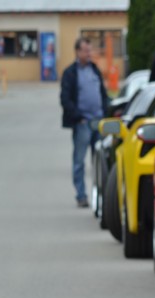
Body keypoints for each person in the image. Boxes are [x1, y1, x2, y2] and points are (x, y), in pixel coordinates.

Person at [60, 37, 109, 208]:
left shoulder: (94, 69)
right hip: (82, 123)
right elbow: (65, 99)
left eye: (90, 50)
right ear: (77, 51)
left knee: (100, 162)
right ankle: (81, 195)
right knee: (79, 161)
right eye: (85, 50)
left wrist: (106, 111)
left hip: (98, 122)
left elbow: (103, 93)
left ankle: (101, 196)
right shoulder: (70, 73)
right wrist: (78, 116)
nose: (88, 53)